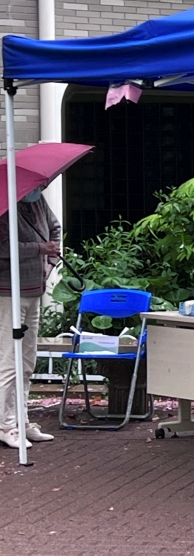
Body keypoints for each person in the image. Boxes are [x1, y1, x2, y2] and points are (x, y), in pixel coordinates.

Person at [0, 187, 60, 450]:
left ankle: (22, 420)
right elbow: (3, 246)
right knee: (8, 362)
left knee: (26, 360)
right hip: (8, 293)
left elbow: (55, 228)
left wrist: (50, 260)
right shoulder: (3, 207)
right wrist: (39, 248)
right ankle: (6, 424)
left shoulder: (38, 202)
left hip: (35, 289)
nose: (39, 190)